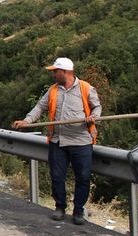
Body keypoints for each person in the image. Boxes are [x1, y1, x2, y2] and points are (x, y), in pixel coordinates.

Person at [12, 57, 101, 225]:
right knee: (57, 176)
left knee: (83, 177)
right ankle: (60, 206)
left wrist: (94, 117)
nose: (53, 74)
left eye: (55, 71)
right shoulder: (53, 90)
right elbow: (40, 107)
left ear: (65, 72)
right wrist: (27, 120)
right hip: (57, 141)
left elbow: (97, 107)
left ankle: (78, 210)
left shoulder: (86, 88)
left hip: (81, 141)